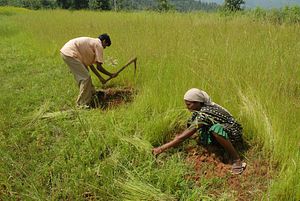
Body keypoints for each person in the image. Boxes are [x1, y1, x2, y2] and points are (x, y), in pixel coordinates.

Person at [152, 88, 246, 174]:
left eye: (189, 104)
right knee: (205, 130)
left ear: (198, 103)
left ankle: (236, 159)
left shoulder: (205, 114)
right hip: (223, 130)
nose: (187, 107)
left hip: (233, 132)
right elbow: (190, 127)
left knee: (215, 129)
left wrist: (161, 149)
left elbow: (183, 137)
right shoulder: (200, 109)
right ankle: (220, 149)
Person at [60, 34, 118, 108]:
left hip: (66, 52)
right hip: (71, 53)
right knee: (85, 78)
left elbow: (91, 65)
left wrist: (100, 77)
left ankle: (92, 93)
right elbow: (99, 67)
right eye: (105, 45)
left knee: (85, 75)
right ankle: (81, 104)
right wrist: (111, 75)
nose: (104, 48)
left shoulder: (92, 43)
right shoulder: (98, 45)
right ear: (103, 41)